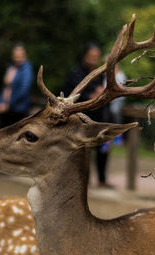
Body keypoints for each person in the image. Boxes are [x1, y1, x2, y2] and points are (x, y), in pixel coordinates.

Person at [62, 43, 112, 188]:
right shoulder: (76, 73)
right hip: (81, 120)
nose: (93, 59)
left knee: (103, 150)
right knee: (81, 151)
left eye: (96, 57)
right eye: (91, 56)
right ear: (85, 56)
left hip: (100, 119)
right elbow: (71, 96)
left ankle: (102, 179)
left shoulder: (100, 75)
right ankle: (80, 179)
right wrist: (93, 96)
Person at [0, 44, 33, 128]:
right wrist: (0, 102)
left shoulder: (27, 69)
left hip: (17, 109)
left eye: (19, 56)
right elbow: (5, 87)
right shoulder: (11, 67)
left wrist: (8, 105)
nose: (16, 58)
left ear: (24, 56)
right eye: (15, 55)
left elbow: (24, 90)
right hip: (5, 108)